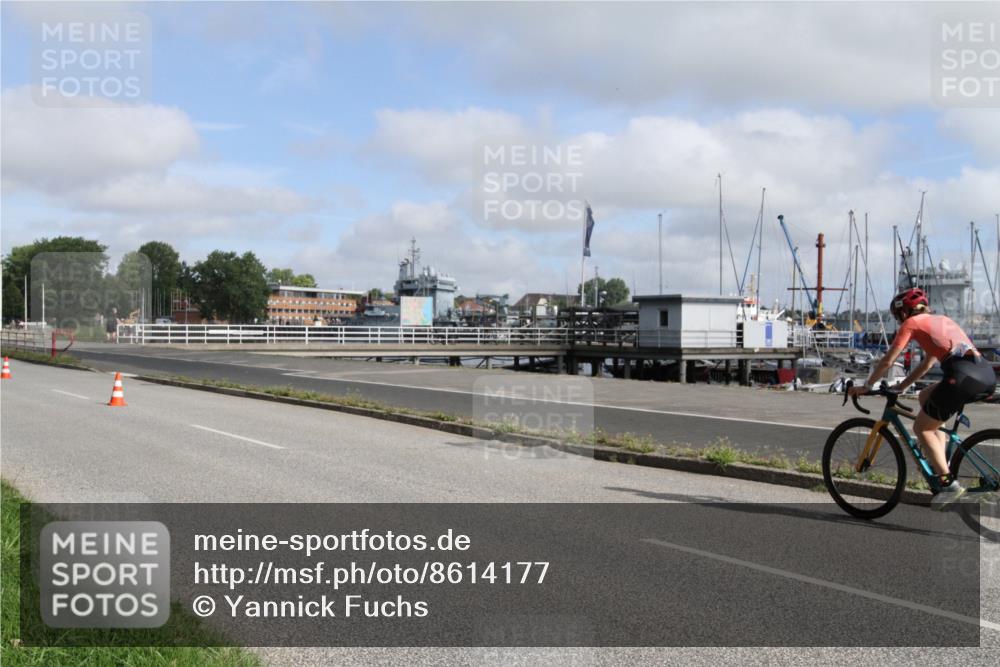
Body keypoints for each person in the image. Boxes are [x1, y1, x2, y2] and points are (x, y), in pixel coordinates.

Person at [848, 288, 996, 509]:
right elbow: (927, 364)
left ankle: (949, 485)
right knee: (926, 396)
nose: (899, 322)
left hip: (961, 377)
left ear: (905, 312)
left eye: (898, 317)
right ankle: (941, 462)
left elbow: (888, 361)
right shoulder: (941, 320)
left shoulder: (912, 324)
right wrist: (902, 386)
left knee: (922, 429)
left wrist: (867, 386)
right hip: (984, 374)